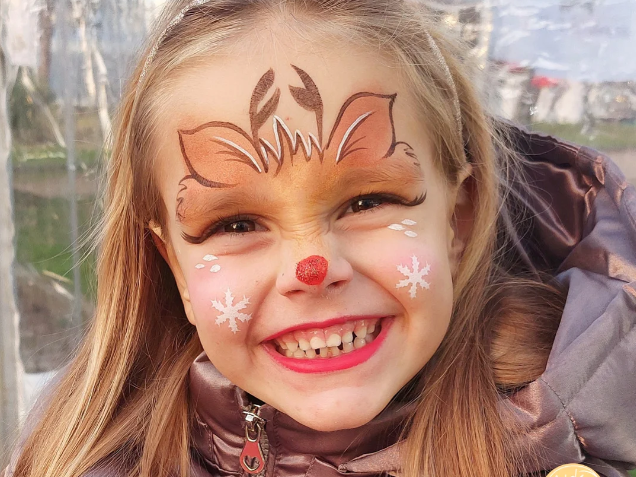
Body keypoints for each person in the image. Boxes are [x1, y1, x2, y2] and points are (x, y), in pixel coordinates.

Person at [5, 1, 636, 476]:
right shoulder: (84, 458)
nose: (312, 266)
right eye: (235, 224)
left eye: (367, 201)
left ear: (457, 221)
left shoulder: (571, 440)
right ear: (175, 269)